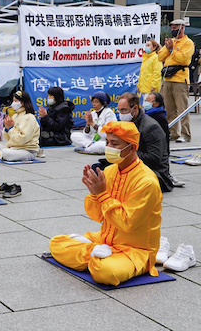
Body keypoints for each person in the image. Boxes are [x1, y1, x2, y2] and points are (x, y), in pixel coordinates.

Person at [49, 121, 162, 286]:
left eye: (115, 144)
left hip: (135, 250)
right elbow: (98, 216)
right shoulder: (109, 171)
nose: (108, 147)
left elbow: (127, 223)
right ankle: (94, 252)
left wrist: (102, 194)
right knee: (56, 243)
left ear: (132, 148)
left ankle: (95, 256)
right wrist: (94, 194)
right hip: (105, 239)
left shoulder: (146, 182)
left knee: (105, 272)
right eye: (108, 142)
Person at [118, 92, 173, 192]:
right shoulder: (128, 123)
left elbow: (154, 159)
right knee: (100, 170)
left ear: (135, 108)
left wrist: (127, 153)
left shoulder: (150, 127)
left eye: (124, 110)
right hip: (136, 165)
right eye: (119, 111)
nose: (121, 114)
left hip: (156, 172)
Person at [158, 18, 195, 143]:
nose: (173, 30)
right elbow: (160, 56)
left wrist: (172, 50)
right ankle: (173, 133)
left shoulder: (188, 43)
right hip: (167, 79)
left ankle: (186, 134)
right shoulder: (171, 42)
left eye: (175, 27)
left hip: (180, 79)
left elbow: (184, 60)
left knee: (182, 108)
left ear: (182, 28)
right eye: (172, 27)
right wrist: (169, 48)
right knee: (169, 109)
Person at [145, 92, 185, 188]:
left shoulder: (159, 117)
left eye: (149, 101)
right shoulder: (146, 114)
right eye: (146, 100)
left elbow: (164, 137)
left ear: (157, 103)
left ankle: (167, 175)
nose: (146, 103)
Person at [0, 90, 40, 161]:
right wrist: (6, 128)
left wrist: (10, 129)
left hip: (26, 150)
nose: (13, 104)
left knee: (6, 153)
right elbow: (7, 139)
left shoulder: (29, 117)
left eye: (15, 101)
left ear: (22, 103)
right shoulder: (15, 115)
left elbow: (22, 139)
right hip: (14, 147)